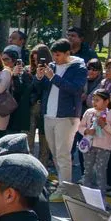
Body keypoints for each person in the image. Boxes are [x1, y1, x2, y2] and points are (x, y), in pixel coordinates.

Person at [36, 38, 88, 200]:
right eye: (54, 55)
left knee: (63, 153)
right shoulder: (51, 66)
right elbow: (40, 89)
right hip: (48, 115)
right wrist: (39, 77)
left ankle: (65, 189)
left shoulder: (79, 67)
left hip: (67, 116)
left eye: (58, 55)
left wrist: (54, 78)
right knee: (55, 153)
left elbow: (75, 89)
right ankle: (62, 184)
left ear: (68, 53)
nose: (55, 59)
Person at [80, 88, 111, 190]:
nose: (94, 102)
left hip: (104, 148)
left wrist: (105, 125)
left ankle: (100, 198)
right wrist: (86, 131)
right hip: (89, 146)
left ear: (106, 101)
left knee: (100, 172)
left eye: (97, 100)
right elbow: (80, 127)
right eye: (93, 99)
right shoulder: (89, 112)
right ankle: (86, 196)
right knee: (87, 171)